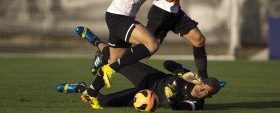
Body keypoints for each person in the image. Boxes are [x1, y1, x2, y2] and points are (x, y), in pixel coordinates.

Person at [61, 0, 194, 109]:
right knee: (152, 44)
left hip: (125, 20)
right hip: (117, 17)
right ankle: (110, 66)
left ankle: (91, 92)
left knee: (115, 58)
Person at [57, 60, 221, 110]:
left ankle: (80, 87)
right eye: (203, 86)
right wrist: (180, 73)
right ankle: (98, 46)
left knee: (102, 103)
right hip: (151, 78)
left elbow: (180, 107)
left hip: (146, 97)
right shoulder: (190, 77)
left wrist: (171, 100)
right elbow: (167, 63)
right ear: (200, 81)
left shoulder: (198, 104)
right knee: (119, 61)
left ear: (209, 96)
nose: (201, 91)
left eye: (206, 92)